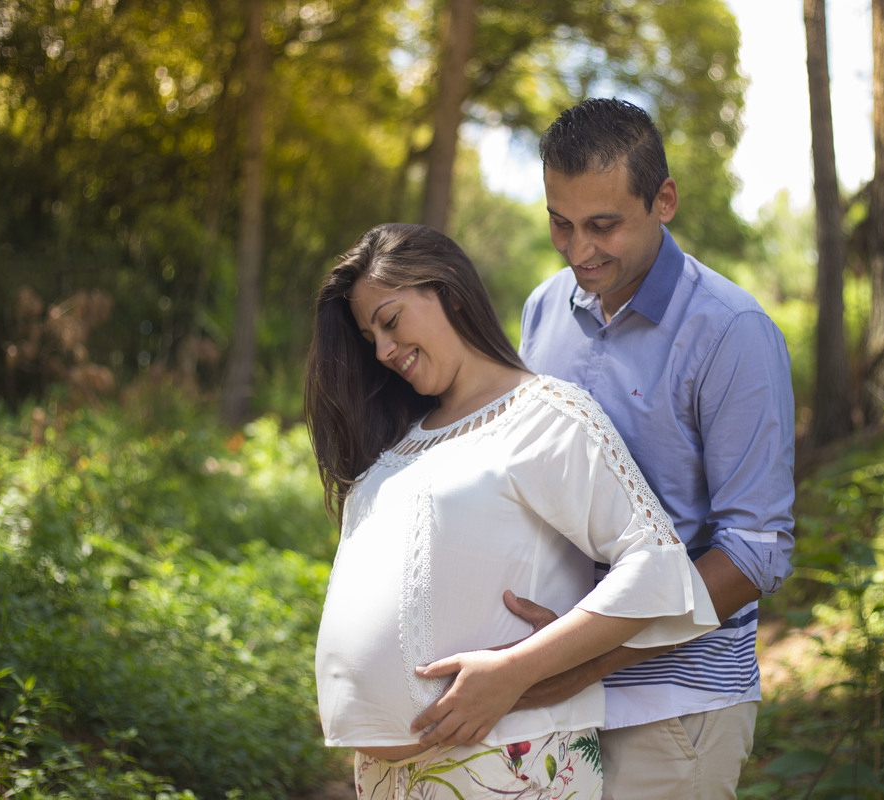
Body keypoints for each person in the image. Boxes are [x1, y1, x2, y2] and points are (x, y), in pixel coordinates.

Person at [417, 99, 797, 797]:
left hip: (675, 708)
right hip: (543, 700)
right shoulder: (542, 309)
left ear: (664, 201)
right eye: (560, 223)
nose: (579, 250)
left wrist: (575, 661)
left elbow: (755, 550)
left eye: (604, 226)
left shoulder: (732, 331)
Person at [306, 222, 719, 800]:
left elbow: (656, 568)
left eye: (391, 320)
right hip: (385, 780)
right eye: (369, 335)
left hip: (508, 761)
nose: (382, 350)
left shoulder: (544, 415)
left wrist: (519, 669)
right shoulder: (399, 443)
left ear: (447, 290)